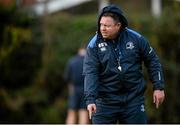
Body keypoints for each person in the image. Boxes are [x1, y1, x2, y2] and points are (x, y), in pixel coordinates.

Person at [83, 4, 165, 124]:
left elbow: (153, 61)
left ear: (118, 25)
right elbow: (91, 72)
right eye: (101, 24)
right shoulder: (93, 45)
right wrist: (90, 100)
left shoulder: (137, 39)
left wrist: (159, 87)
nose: (102, 28)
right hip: (105, 102)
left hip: (133, 100)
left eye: (107, 25)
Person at [64, 47, 89, 124]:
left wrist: (71, 90)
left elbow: (67, 78)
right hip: (86, 90)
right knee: (84, 113)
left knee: (71, 113)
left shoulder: (72, 61)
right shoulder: (89, 61)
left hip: (74, 89)